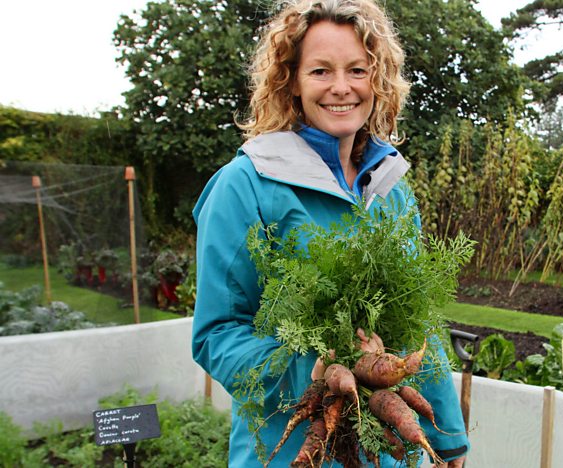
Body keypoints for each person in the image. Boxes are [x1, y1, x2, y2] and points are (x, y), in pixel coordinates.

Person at [191, 0, 470, 466]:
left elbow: (422, 327)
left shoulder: (392, 189)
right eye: (320, 71)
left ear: (377, 81)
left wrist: (447, 435)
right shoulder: (245, 185)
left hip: (391, 449)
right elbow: (217, 335)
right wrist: (312, 371)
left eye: (357, 70)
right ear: (292, 83)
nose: (341, 87)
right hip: (294, 449)